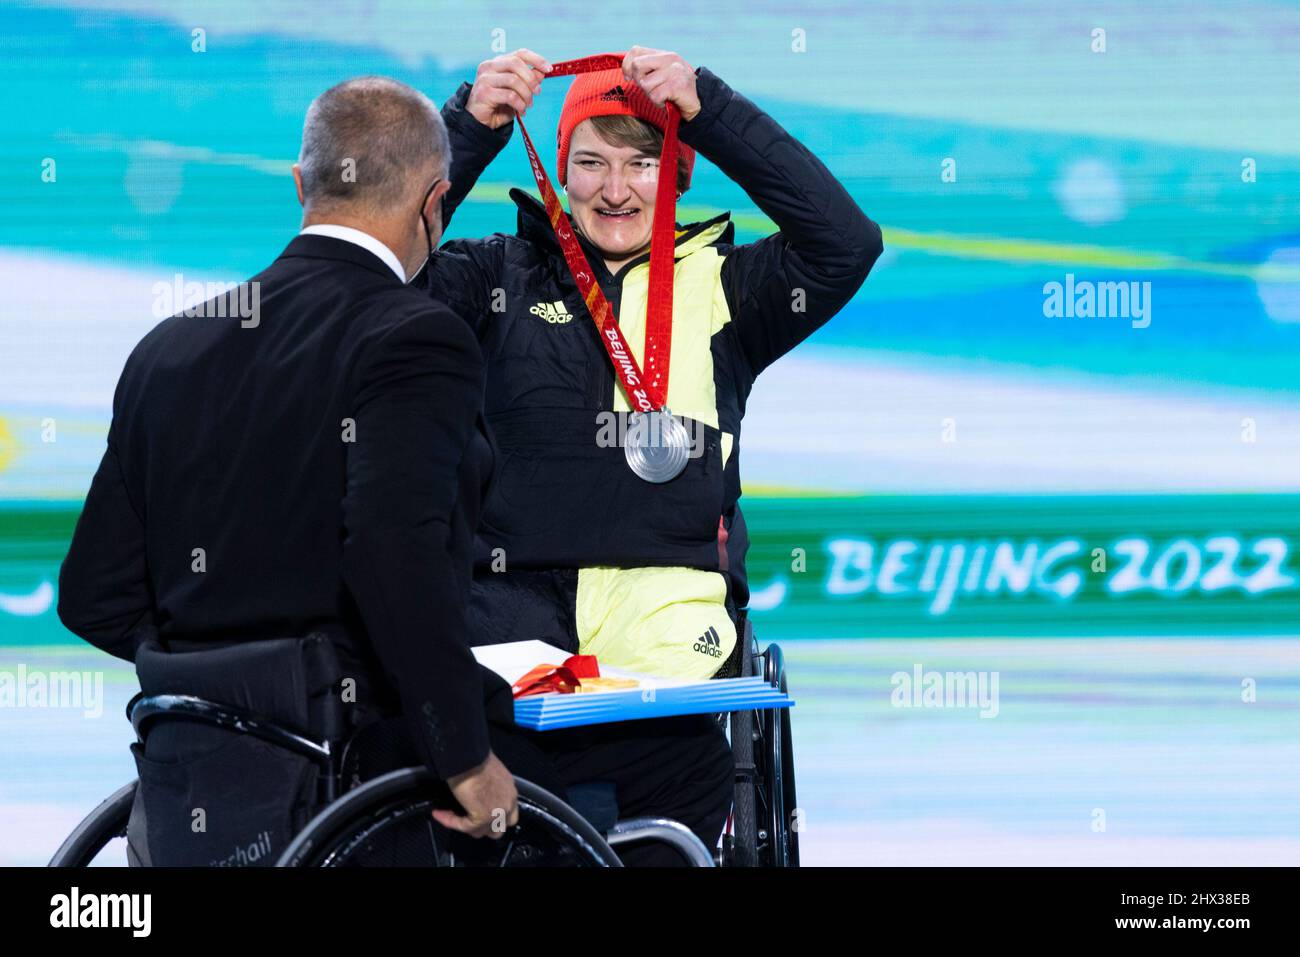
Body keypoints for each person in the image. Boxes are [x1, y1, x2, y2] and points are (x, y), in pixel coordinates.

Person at [57, 75, 519, 862]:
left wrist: (224, 681)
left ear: (300, 184)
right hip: (356, 793)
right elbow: (390, 554)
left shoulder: (170, 347)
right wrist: (468, 761)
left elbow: (93, 596)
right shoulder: (419, 337)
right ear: (436, 202)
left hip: (188, 798)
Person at [421, 47, 884, 679]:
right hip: (507, 634)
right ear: (561, 172)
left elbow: (848, 245)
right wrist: (467, 133)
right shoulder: (492, 275)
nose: (616, 191)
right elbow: (369, 275)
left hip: (675, 643)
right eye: (591, 163)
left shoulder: (732, 287)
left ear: (679, 175)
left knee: (680, 774)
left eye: (643, 163)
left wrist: (709, 110)